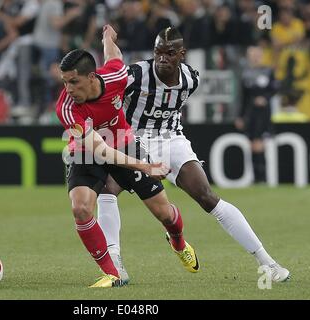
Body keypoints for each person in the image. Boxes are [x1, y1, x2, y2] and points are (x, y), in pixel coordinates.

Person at [97, 27, 290, 283]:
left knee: (208, 197)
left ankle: (268, 262)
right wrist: (107, 41)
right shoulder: (137, 74)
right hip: (135, 139)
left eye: (169, 53)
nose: (162, 58)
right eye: (158, 52)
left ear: (182, 54)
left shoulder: (191, 79)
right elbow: (114, 66)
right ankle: (116, 265)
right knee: (107, 190)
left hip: (171, 139)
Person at [55, 24, 199, 288]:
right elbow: (100, 150)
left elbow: (113, 57)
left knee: (165, 214)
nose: (68, 89)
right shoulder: (66, 108)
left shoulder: (116, 77)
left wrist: (107, 37)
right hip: (88, 152)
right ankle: (113, 273)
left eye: (73, 81)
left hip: (123, 143)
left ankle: (178, 242)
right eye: (64, 81)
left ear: (91, 77)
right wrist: (145, 166)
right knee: (81, 208)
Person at [235, 46, 275, 183]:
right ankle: (257, 177)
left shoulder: (268, 71)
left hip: (263, 113)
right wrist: (240, 116)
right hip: (250, 114)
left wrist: (265, 98)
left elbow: (274, 88)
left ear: (261, 55)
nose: (255, 57)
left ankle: (262, 177)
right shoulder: (245, 74)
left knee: (259, 143)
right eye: (252, 55)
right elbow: (243, 98)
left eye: (257, 54)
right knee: (252, 144)